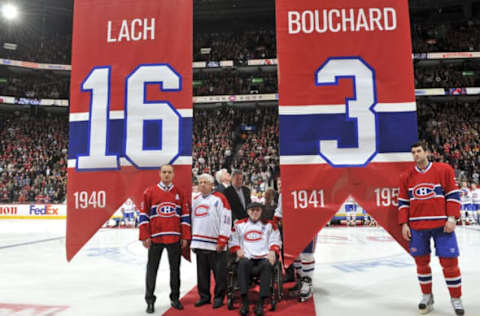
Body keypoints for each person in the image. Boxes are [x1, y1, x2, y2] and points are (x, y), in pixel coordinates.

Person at [398, 142, 464, 315]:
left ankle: (456, 299)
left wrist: (451, 218)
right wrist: (404, 223)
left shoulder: (444, 170)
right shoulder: (406, 176)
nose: (416, 155)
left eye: (419, 151)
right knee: (421, 263)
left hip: (442, 225)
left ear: (426, 152)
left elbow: (452, 195)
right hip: (417, 226)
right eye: (413, 152)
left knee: (450, 263)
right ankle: (427, 296)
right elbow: (403, 203)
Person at [138, 164, 191, 313]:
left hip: (174, 238)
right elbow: (144, 215)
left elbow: (185, 216)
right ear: (159, 174)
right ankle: (150, 300)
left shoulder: (180, 192)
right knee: (151, 270)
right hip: (156, 239)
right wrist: (144, 235)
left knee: (175, 271)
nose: (167, 175)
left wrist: (185, 236)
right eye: (164, 172)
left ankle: (175, 298)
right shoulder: (150, 192)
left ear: (173, 174)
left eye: (169, 172)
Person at [230, 202, 281, 316]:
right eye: (252, 210)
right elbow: (233, 240)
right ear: (248, 212)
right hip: (246, 258)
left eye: (257, 210)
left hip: (263, 258)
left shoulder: (269, 225)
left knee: (267, 265)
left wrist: (273, 251)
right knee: (242, 264)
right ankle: (245, 302)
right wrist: (237, 249)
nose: (254, 212)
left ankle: (261, 303)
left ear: (261, 211)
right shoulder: (239, 224)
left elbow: (276, 240)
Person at [191, 173, 232, 309]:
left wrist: (223, 239)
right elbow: (192, 220)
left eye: (205, 182)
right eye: (200, 182)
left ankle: (219, 297)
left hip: (216, 244)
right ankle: (204, 296)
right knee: (202, 273)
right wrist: (192, 240)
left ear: (211, 184)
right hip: (199, 242)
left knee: (219, 273)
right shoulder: (195, 200)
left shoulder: (220, 198)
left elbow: (226, 219)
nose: (202, 184)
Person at [273, 194, 315, 302]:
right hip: (291, 225)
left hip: (309, 224)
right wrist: (276, 219)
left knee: (306, 255)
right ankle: (301, 279)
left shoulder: (311, 186)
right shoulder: (286, 190)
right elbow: (280, 210)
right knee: (295, 255)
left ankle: (307, 282)